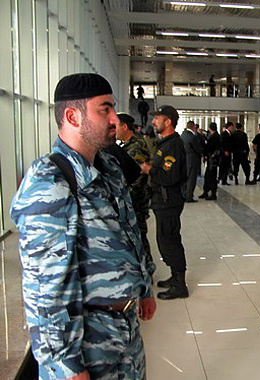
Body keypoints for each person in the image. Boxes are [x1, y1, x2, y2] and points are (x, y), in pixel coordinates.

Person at [10, 73, 156, 379]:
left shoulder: (109, 168)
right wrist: (65, 365)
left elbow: (130, 233)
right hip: (87, 345)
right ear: (72, 116)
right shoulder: (49, 182)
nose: (115, 119)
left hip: (125, 334)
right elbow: (44, 287)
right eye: (105, 109)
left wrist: (144, 286)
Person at [140, 105, 189, 300]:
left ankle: (180, 285)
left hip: (169, 200)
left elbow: (170, 178)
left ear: (168, 122)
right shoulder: (165, 143)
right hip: (162, 199)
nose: (153, 121)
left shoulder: (173, 146)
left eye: (157, 118)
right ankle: (174, 277)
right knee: (165, 240)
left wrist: (149, 170)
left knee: (170, 241)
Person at [114, 113, 156, 276]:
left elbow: (138, 175)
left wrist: (127, 196)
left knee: (138, 233)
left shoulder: (136, 145)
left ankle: (148, 268)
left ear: (124, 127)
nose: (114, 130)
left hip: (136, 199)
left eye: (116, 126)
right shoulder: (126, 145)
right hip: (132, 197)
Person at [181, 120, 203, 202]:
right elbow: (197, 149)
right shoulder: (192, 137)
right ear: (193, 126)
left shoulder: (183, 135)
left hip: (185, 160)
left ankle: (184, 194)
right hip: (193, 160)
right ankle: (189, 196)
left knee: (185, 179)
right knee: (191, 179)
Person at [200, 122, 222, 200]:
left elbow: (208, 147)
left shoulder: (214, 137)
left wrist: (204, 153)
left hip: (212, 159)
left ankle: (213, 193)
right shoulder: (217, 136)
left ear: (210, 128)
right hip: (214, 159)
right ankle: (206, 191)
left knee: (211, 176)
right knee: (208, 175)